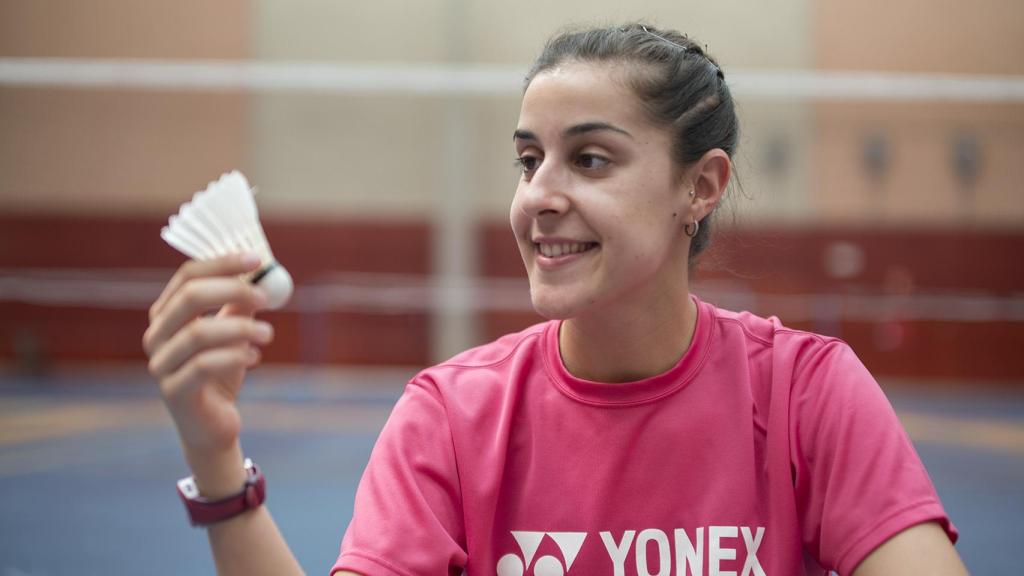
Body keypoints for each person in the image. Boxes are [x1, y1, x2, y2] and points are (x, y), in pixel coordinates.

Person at [143, 23, 967, 576]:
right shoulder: (450, 418)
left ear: (701, 187)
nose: (539, 194)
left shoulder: (806, 393)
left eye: (592, 160)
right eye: (529, 159)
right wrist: (216, 461)